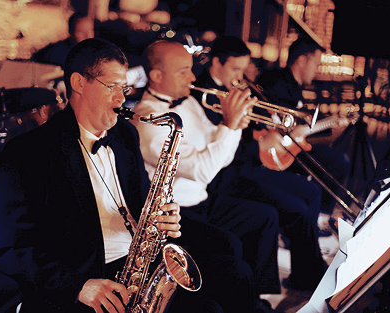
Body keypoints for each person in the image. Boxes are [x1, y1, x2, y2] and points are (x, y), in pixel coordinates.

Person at [0, 38, 184, 313]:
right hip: (78, 282)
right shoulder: (27, 152)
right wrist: (79, 286)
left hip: (136, 268)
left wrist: (161, 217)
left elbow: (140, 200)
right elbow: (8, 250)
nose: (121, 98)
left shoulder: (126, 136)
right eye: (112, 86)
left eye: (124, 87)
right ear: (79, 83)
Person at [132, 39, 281, 312]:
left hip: (202, 199)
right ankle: (240, 302)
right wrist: (229, 123)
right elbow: (203, 169)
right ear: (156, 76)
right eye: (182, 71)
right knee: (230, 245)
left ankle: (255, 297)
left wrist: (234, 126)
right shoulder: (148, 120)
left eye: (190, 69)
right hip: (178, 213)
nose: (192, 77)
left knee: (265, 217)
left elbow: (221, 159)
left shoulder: (188, 102)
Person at [191, 35, 328, 291]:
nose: (241, 76)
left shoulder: (234, 88)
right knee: (295, 208)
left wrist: (263, 121)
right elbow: (222, 145)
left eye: (243, 70)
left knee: (310, 190)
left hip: (248, 167)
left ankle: (310, 270)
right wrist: (256, 142)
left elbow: (250, 131)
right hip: (229, 176)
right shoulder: (201, 94)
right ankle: (295, 281)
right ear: (216, 63)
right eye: (235, 69)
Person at [255, 36, 350, 217]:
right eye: (315, 63)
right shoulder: (275, 82)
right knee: (338, 161)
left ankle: (320, 216)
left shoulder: (295, 87)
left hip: (291, 147)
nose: (317, 70)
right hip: (274, 150)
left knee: (335, 159)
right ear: (301, 60)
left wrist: (329, 127)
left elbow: (299, 130)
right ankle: (320, 215)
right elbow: (273, 120)